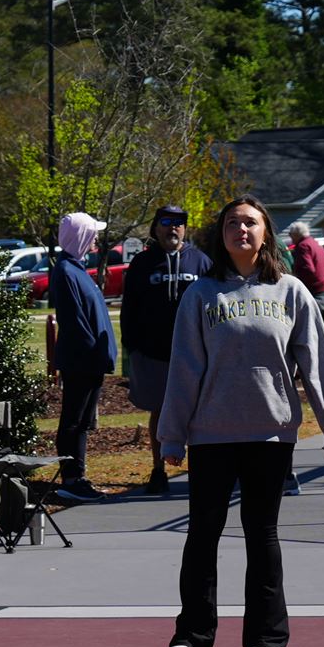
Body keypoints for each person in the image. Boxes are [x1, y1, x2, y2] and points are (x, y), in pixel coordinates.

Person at [155, 196, 324, 647]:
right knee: (203, 533)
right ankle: (192, 637)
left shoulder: (291, 292)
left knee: (261, 534)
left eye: (249, 223)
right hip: (210, 435)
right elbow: (183, 369)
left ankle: (266, 637)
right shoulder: (201, 296)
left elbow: (318, 363)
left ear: (266, 233)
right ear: (220, 234)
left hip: (270, 434)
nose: (240, 230)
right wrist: (172, 434)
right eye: (231, 224)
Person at [119, 205, 212, 495]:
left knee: (198, 414)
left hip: (196, 354)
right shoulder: (142, 264)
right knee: (160, 412)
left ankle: (200, 472)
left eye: (179, 223)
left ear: (185, 228)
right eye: (166, 222)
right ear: (155, 228)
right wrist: (132, 347)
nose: (173, 228)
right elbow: (129, 309)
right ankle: (158, 470)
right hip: (154, 353)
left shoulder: (201, 262)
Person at [48, 211, 117, 502]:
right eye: (92, 235)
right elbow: (75, 322)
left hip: (90, 361)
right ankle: (71, 480)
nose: (96, 241)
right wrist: (93, 355)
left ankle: (80, 477)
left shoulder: (75, 269)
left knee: (83, 421)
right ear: (81, 237)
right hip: (82, 362)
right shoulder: (65, 272)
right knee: (74, 421)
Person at [284, 219, 324, 322]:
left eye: (290, 234)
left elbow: (307, 269)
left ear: (296, 234)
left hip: (314, 295)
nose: (290, 237)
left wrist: (295, 281)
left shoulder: (303, 246)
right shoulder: (316, 244)